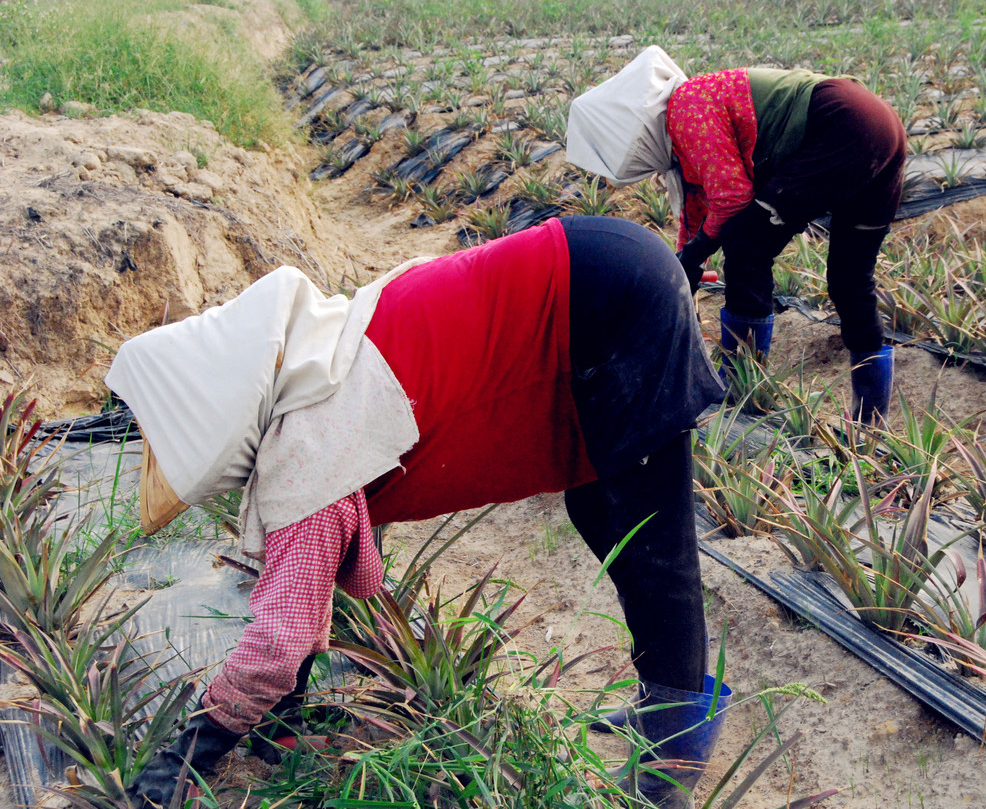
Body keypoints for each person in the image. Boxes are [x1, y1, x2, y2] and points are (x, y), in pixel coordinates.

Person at [106, 216, 731, 809]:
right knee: (600, 507)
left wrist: (191, 750)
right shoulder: (318, 360)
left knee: (651, 542)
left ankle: (668, 767)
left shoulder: (308, 449)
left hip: (608, 300)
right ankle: (664, 706)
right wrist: (284, 709)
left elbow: (283, 632)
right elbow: (311, 583)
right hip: (593, 264)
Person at [567, 46, 907, 424]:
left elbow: (731, 198)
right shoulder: (685, 132)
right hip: (879, 125)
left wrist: (696, 253)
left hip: (841, 124)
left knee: (747, 244)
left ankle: (739, 382)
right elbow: (699, 211)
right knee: (850, 278)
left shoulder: (686, 105)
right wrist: (684, 267)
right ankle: (872, 420)